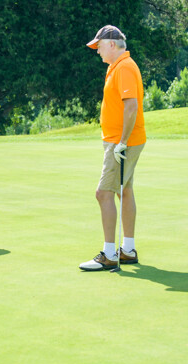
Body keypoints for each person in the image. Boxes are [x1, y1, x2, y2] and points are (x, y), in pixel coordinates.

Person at [80, 26, 146, 271]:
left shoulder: (125, 67)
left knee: (103, 193)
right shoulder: (116, 67)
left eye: (99, 46)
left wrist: (122, 142)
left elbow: (131, 106)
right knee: (124, 190)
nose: (97, 51)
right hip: (120, 140)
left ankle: (109, 255)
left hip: (122, 142)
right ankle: (127, 250)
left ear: (111, 44)